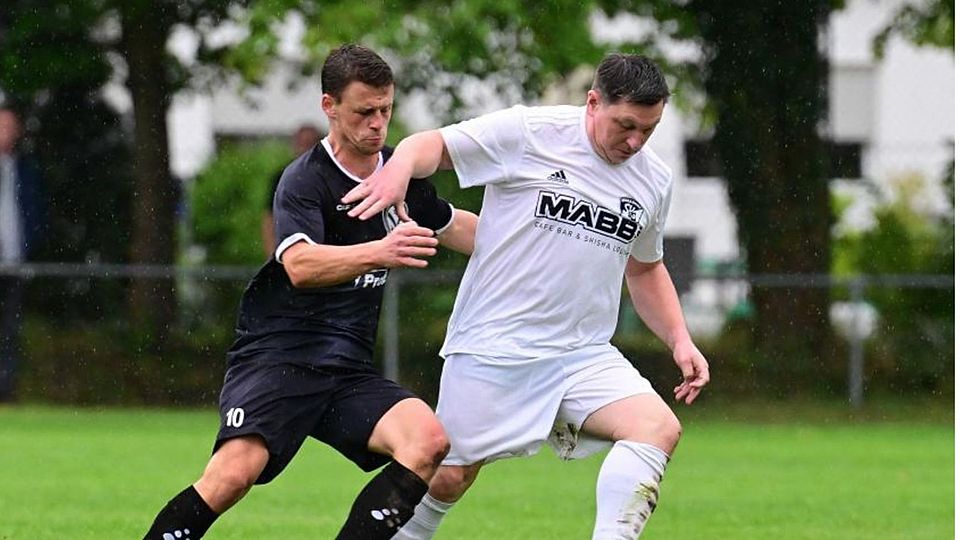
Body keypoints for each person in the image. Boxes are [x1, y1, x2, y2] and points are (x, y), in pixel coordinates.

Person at [343, 53, 710, 539]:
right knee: (449, 477)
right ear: (593, 102)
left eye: (649, 129)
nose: (636, 141)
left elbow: (644, 268)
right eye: (626, 125)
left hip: (582, 353)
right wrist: (399, 169)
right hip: (496, 346)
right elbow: (432, 145)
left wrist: (680, 339)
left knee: (656, 428)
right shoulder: (531, 133)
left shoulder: (653, 178)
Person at [144, 44, 477, 540]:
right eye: (364, 112)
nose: (377, 124)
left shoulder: (396, 175)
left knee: (427, 441)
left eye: (385, 110)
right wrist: (379, 251)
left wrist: (541, 248)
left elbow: (458, 227)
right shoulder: (304, 180)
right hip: (279, 359)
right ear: (330, 106)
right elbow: (299, 265)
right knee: (232, 476)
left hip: (347, 372)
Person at [0, 106, 45, 403]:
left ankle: (5, 392)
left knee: (10, 332)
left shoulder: (26, 170)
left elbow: (37, 214)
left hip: (15, 263)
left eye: (9, 127)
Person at [261, 123, 323, 257]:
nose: (304, 149)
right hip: (291, 247)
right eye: (301, 144)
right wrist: (272, 254)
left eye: (309, 144)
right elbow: (269, 218)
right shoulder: (283, 176)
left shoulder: (329, 176)